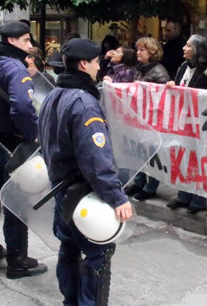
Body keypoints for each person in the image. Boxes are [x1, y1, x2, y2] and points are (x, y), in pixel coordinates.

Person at [39, 38, 133, 306]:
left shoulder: (54, 95)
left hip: (61, 188)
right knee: (98, 254)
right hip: (82, 193)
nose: (98, 67)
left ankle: (71, 301)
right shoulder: (83, 103)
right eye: (95, 62)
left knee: (68, 247)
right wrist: (117, 197)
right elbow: (96, 158)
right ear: (83, 64)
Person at [0, 21, 48, 279]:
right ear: (13, 41)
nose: (30, 45)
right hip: (13, 144)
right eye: (27, 40)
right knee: (16, 200)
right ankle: (17, 260)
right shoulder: (16, 68)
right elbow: (24, 108)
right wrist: (32, 135)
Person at [166, 34, 207, 214]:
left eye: (188, 45)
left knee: (199, 160)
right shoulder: (183, 66)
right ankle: (183, 195)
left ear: (197, 50)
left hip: (200, 122)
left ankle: (198, 200)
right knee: (185, 158)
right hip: (184, 120)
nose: (184, 48)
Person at [124, 37, 170, 201]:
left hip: (152, 121)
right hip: (140, 119)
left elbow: (162, 99)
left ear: (151, 52)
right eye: (138, 49)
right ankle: (139, 182)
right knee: (139, 152)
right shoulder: (140, 70)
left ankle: (151, 187)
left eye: (142, 50)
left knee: (152, 154)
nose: (138, 52)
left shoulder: (159, 73)